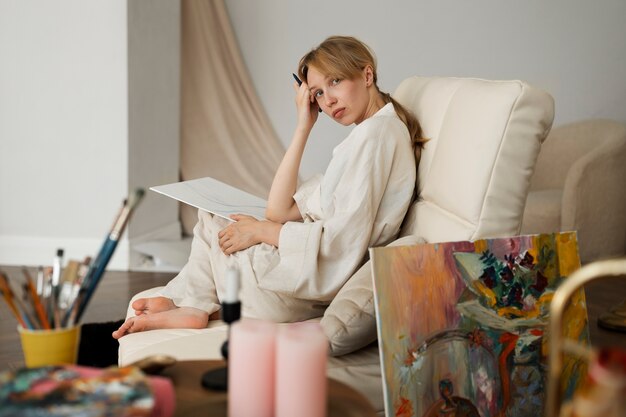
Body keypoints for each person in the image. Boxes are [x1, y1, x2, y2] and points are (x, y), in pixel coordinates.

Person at [113, 35, 425, 339]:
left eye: (334, 82)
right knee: (215, 217)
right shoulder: (370, 134)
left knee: (216, 227)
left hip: (301, 289)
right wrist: (304, 125)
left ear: (366, 74)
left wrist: (261, 232)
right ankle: (192, 304)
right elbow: (279, 210)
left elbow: (340, 244)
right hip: (299, 277)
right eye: (316, 93)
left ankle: (192, 303)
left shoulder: (377, 137)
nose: (327, 101)